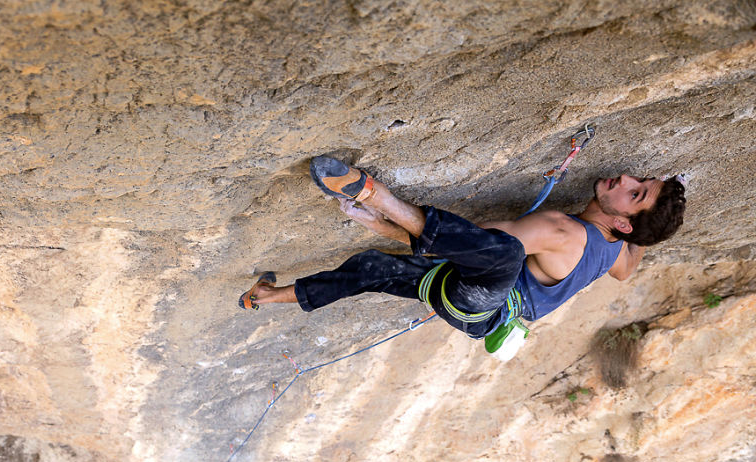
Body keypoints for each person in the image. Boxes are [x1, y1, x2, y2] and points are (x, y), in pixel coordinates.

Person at [239, 155, 686, 343]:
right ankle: (267, 296)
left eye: (635, 193)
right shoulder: (619, 250)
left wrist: (382, 221)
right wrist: (646, 229)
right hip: (469, 294)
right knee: (369, 269)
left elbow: (469, 243)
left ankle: (375, 194)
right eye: (640, 181)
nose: (626, 179)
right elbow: (628, 267)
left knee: (506, 253)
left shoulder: (564, 232)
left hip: (480, 304)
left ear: (624, 220)